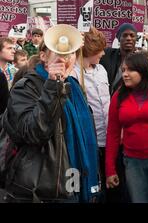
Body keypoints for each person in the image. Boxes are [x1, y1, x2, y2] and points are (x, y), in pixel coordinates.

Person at [2, 34, 100, 203]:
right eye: (58, 53)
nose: (65, 58)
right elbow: (33, 133)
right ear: (43, 57)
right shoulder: (25, 87)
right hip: (40, 188)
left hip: (72, 175)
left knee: (74, 197)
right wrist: (53, 86)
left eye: (70, 53)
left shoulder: (74, 87)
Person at [105, 52, 148, 203]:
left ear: (143, 70)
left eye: (130, 70)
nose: (125, 74)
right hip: (132, 162)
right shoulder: (118, 96)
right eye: (123, 70)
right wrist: (109, 169)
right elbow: (112, 133)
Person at [70, 27, 110, 201]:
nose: (102, 54)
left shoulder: (102, 70)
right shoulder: (72, 72)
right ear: (90, 50)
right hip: (88, 139)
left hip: (107, 136)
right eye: (99, 50)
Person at [100, 23, 137, 95]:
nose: (129, 38)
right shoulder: (107, 54)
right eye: (125, 35)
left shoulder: (140, 61)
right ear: (118, 38)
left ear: (136, 39)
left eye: (132, 35)